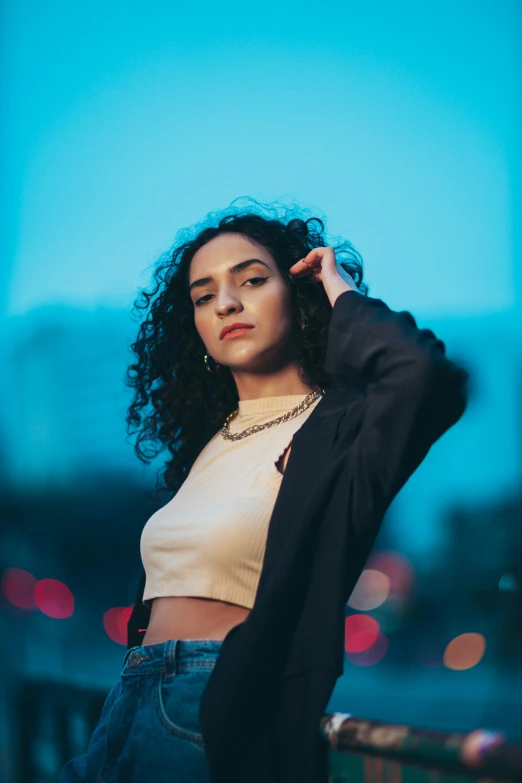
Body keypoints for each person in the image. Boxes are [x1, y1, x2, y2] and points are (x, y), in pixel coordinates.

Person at [59, 197, 469, 783]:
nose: (226, 302)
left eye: (251, 281)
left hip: (220, 702)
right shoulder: (209, 441)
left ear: (299, 303)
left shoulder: (341, 431)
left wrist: (337, 286)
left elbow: (426, 375)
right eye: (204, 296)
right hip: (130, 692)